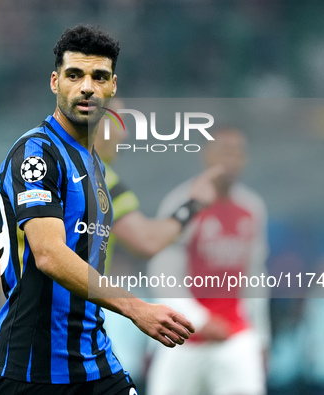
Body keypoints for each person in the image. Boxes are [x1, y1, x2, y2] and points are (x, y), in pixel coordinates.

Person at [0, 25, 202, 395]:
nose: (87, 86)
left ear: (112, 87)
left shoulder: (96, 167)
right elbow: (50, 255)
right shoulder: (37, 154)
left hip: (91, 360)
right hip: (29, 369)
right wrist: (136, 308)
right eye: (75, 75)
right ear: (55, 82)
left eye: (99, 76)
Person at [93, 99, 223, 382]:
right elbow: (147, 240)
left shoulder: (42, 168)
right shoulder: (99, 178)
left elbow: (0, 261)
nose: (125, 134)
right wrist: (193, 205)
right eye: (118, 121)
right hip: (68, 335)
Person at [146, 127, 270, 395]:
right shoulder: (183, 202)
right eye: (223, 151)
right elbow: (162, 274)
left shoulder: (252, 208)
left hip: (234, 334)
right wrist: (200, 321)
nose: (230, 159)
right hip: (183, 338)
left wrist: (261, 337)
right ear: (206, 155)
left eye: (237, 152)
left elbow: (255, 277)